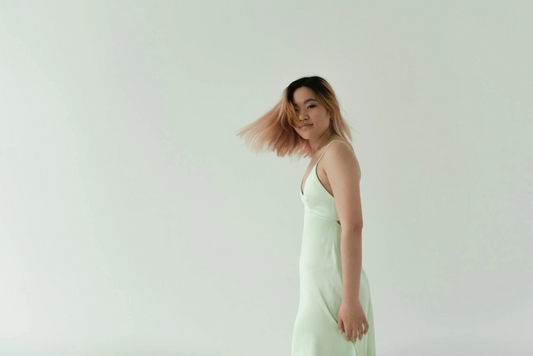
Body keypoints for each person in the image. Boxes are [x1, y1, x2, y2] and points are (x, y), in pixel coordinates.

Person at [236, 76, 376, 355]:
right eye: (295, 109)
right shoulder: (322, 153)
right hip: (318, 283)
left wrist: (349, 300)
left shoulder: (336, 152)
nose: (301, 116)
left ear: (329, 108)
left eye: (310, 106)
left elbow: (353, 226)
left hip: (336, 286)